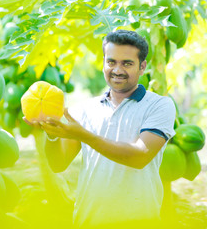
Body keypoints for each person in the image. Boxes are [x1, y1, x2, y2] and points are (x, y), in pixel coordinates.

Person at [24, 30, 176, 229]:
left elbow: (140, 156)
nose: (117, 69)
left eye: (127, 63)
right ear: (103, 63)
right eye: (111, 62)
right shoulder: (84, 109)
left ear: (142, 67)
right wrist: (52, 135)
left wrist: (85, 136)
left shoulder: (160, 105)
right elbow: (58, 164)